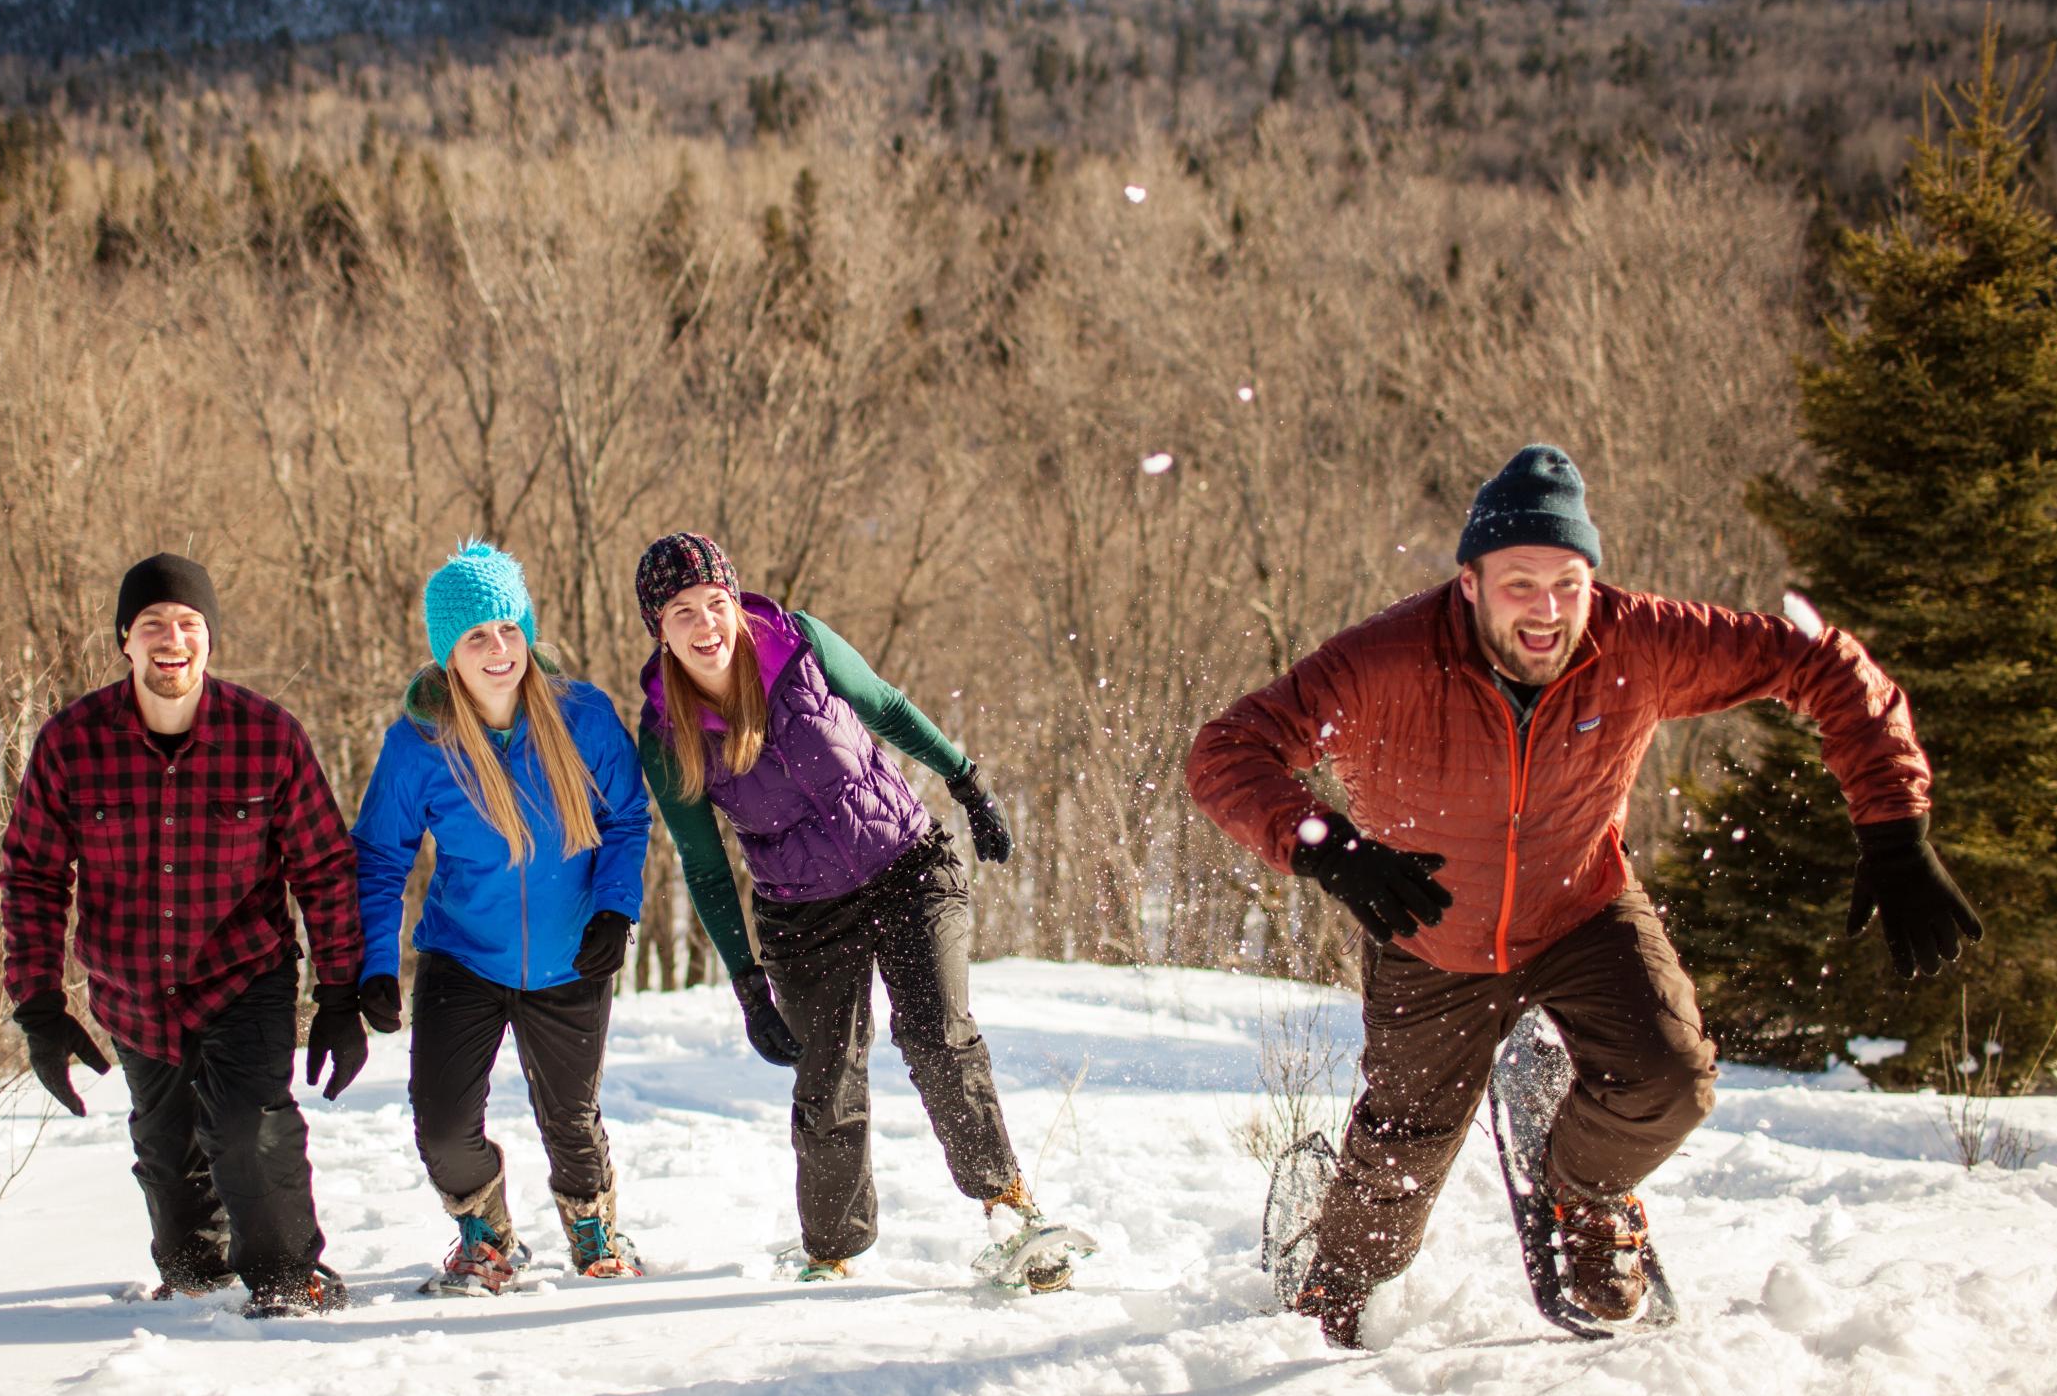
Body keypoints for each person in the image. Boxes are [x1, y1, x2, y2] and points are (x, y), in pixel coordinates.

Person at [1186, 445, 1982, 1346]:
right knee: (1400, 1162)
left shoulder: (1638, 639)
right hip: (1430, 933)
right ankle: (1330, 1282)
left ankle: (1585, 1195)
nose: (1548, 609)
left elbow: (1827, 665)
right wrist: (1327, 845)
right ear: (1472, 582)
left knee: (1673, 1080)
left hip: (1582, 907)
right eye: (1520, 582)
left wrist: (1894, 826)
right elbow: (1226, 750)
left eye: (1567, 582)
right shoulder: (1387, 659)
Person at [631, 531, 1082, 1289]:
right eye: (682, 612)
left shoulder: (801, 644)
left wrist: (966, 782)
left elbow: (888, 709)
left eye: (716, 602)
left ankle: (1011, 1212)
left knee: (938, 1038)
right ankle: (830, 1252)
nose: (706, 624)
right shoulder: (664, 733)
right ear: (660, 630)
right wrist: (746, 984)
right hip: (802, 914)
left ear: (735, 600)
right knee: (827, 1080)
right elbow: (705, 867)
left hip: (907, 865)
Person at [0, 553, 368, 1318]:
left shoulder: (268, 736)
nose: (173, 639)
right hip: (133, 993)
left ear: (211, 640)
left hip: (244, 974)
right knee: (170, 1167)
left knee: (247, 1128)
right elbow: (33, 873)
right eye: (153, 625)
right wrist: (38, 1003)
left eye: (189, 624)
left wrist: (340, 992)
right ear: (125, 642)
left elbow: (326, 869)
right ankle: (196, 1280)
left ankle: (287, 1278)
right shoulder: (72, 743)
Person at [353, 543, 655, 1295]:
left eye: (509, 630)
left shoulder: (583, 716)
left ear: (527, 631)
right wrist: (375, 965)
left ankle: (592, 1223)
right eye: (476, 637)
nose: (498, 650)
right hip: (464, 956)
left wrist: (616, 908)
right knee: (442, 1125)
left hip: (572, 952)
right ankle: (485, 1234)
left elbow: (627, 820)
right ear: (447, 653)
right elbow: (380, 861)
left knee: (571, 1120)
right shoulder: (417, 746)